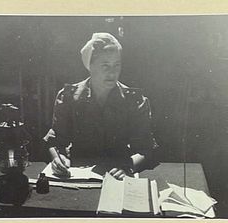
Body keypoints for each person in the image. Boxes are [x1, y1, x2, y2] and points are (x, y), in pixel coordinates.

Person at [43, 32, 159, 180]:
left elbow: (146, 149)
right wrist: (59, 159)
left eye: (117, 65)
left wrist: (128, 166)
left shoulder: (134, 100)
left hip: (118, 174)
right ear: (90, 66)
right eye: (105, 65)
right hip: (77, 172)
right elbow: (55, 140)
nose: (112, 72)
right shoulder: (68, 96)